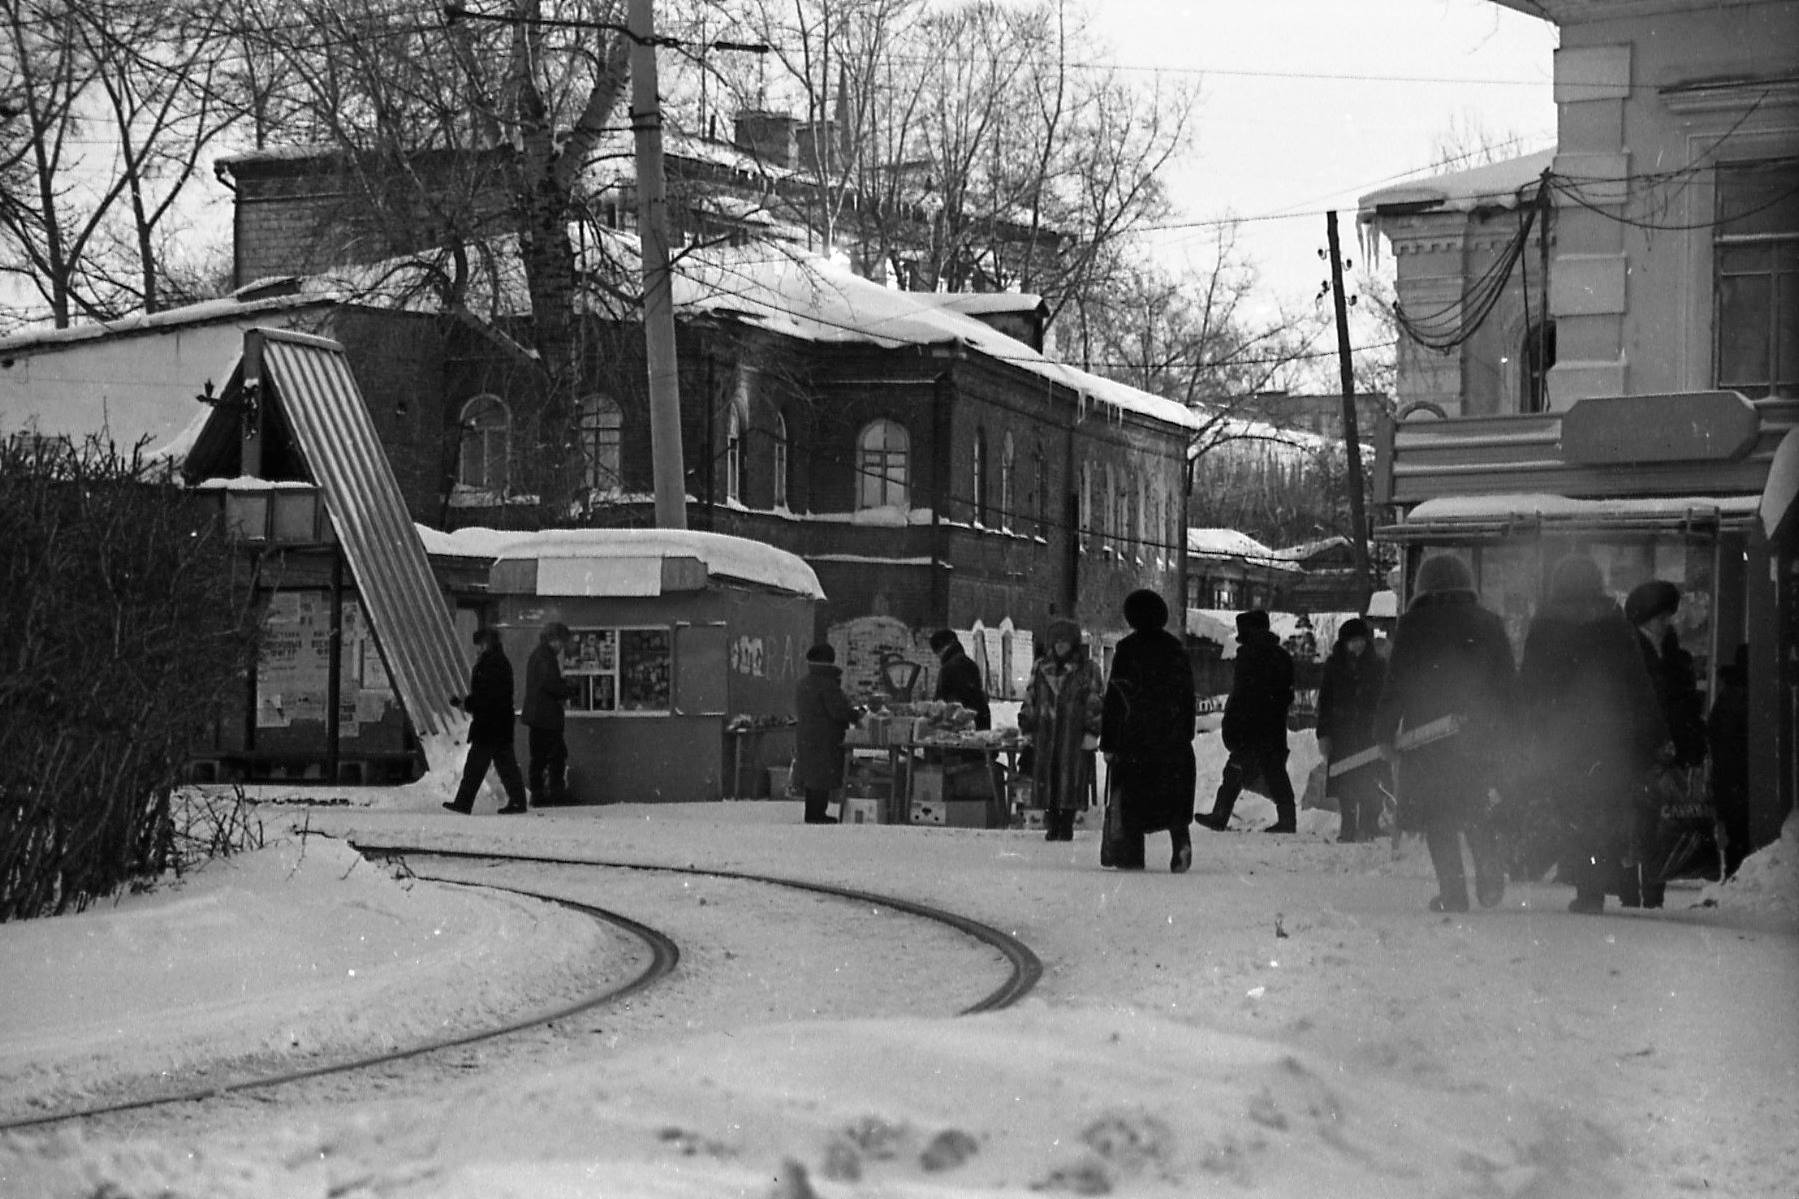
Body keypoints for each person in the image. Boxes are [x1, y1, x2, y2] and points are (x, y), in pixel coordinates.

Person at [1518, 556, 1666, 915]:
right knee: (1604, 807)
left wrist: (1526, 726)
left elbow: (1530, 684)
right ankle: (1598, 880)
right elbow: (1637, 680)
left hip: (1563, 734)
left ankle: (1587, 884)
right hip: (1609, 733)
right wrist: (1653, 728)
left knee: (1572, 806)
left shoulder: (1546, 625)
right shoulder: (1615, 624)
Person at [1373, 554, 1515, 912]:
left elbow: (1396, 683)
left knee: (1439, 817)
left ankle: (1454, 894)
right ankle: (1489, 873)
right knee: (1474, 807)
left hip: (1428, 740)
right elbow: (1507, 686)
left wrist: (1385, 733)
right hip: (1478, 736)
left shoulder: (1414, 625)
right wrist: (1507, 730)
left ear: (1424, 586)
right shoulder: (1490, 623)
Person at [1623, 580, 1707, 906]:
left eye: (1668, 616)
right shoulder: (1639, 653)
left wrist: (1690, 742)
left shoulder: (1671, 654)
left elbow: (1685, 703)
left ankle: (1651, 890)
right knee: (1641, 819)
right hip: (1641, 748)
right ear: (1645, 618)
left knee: (1659, 820)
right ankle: (1638, 889)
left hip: (1667, 748)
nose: (1666, 622)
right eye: (1661, 616)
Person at [1100, 591, 1197, 871]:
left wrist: (1109, 741)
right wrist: (1184, 732)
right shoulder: (1176, 649)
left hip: (1135, 741)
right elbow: (1187, 696)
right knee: (1172, 798)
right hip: (1171, 739)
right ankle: (1180, 840)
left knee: (1134, 801)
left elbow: (1116, 699)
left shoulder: (1127, 650)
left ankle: (1132, 856)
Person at [1196, 609, 1297, 833]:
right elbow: (1286, 693)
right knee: (1274, 770)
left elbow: (1242, 695)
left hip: (1250, 725)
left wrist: (1235, 723)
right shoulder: (1281, 656)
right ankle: (1288, 818)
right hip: (1272, 725)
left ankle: (1220, 814)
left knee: (1236, 768)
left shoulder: (1249, 656)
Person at [1018, 618, 1105, 842]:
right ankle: (1051, 820)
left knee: (1071, 780)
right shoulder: (1040, 667)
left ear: (1073, 644)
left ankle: (1066, 822)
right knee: (1048, 779)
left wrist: (1091, 731)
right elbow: (1031, 698)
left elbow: (1095, 702)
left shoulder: (1088, 669)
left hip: (1072, 736)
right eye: (1056, 642)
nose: (1060, 646)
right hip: (1045, 735)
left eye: (1065, 642)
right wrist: (1027, 724)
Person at [1315, 617, 1389, 843]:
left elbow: (1385, 698)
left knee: (1370, 778)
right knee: (1345, 781)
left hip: (1369, 731)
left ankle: (1369, 823)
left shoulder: (1377, 666)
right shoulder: (1334, 666)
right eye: (1352, 641)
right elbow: (1325, 701)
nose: (1357, 646)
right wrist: (1324, 733)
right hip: (1342, 732)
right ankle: (1348, 825)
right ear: (1344, 643)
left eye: (1360, 641)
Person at [443, 626, 529, 815]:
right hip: (500, 723)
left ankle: (463, 803)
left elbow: (484, 696)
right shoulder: (500, 662)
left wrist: (465, 703)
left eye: (479, 645)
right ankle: (518, 801)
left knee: (475, 766)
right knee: (506, 766)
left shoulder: (489, 664)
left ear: (486, 644)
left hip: (488, 724)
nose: (477, 649)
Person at [793, 643, 863, 825]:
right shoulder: (827, 685)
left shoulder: (804, 683)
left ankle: (812, 812)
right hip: (826, 737)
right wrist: (856, 715)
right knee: (821, 776)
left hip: (808, 736)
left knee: (812, 777)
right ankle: (817, 815)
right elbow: (838, 711)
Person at [521, 621, 579, 807]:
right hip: (546, 717)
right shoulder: (546, 658)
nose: (561, 647)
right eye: (560, 642)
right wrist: (568, 689)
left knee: (539, 757)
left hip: (537, 716)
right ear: (552, 640)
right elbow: (550, 684)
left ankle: (539, 794)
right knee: (556, 755)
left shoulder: (538, 655)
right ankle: (555, 793)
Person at [1708, 643, 1750, 877]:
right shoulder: (1746, 699)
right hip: (1739, 776)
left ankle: (1734, 875)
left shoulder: (1727, 697)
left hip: (1728, 777)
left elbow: (1716, 735)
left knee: (1735, 834)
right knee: (1741, 832)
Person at [929, 628, 992, 730]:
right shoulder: (970, 663)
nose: (938, 657)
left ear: (943, 649)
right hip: (980, 721)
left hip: (961, 725)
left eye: (937, 653)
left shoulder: (948, 668)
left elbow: (947, 704)